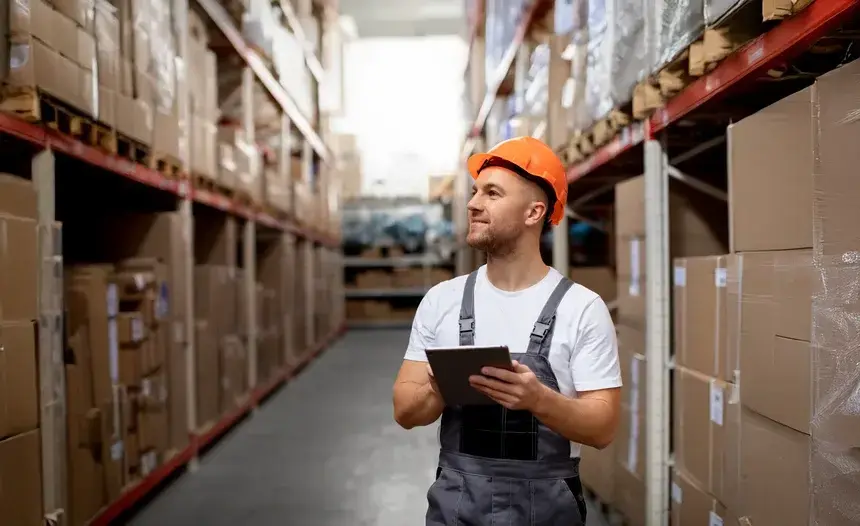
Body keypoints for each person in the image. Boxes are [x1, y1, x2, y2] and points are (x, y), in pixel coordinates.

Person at [392, 136, 622, 525]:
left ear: (534, 213)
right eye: (476, 192)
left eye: (492, 193)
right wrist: (436, 387)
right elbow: (404, 411)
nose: (473, 203)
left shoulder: (581, 308)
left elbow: (603, 429)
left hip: (547, 508)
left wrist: (538, 399)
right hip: (457, 505)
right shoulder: (442, 300)